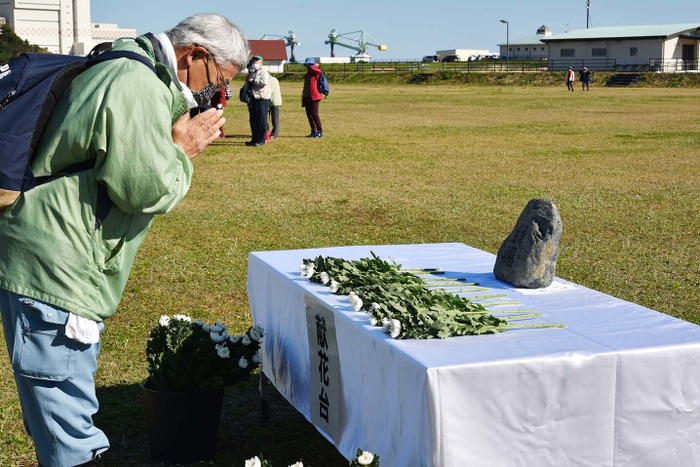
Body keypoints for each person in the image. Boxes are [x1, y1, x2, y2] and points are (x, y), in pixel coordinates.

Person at [0, 13, 249, 467]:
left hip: (56, 259)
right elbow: (143, 187)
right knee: (69, 430)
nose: (218, 95)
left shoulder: (129, 67)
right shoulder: (135, 82)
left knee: (64, 411)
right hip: (58, 269)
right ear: (193, 55)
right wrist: (183, 150)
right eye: (219, 80)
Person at [245, 55, 271, 146]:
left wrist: (253, 80)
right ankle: (254, 139)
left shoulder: (264, 72)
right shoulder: (253, 72)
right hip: (253, 99)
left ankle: (261, 140)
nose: (254, 63)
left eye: (257, 61)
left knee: (261, 120)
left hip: (262, 99)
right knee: (253, 120)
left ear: (261, 63)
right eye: (253, 62)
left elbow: (263, 82)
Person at [301, 57, 324, 138]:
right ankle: (313, 131)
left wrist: (314, 66)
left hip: (314, 96)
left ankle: (319, 131)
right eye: (307, 65)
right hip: (307, 96)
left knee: (314, 114)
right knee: (309, 115)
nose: (308, 66)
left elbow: (319, 71)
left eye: (309, 65)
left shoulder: (315, 72)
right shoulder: (309, 74)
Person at [268, 75, 282, 139]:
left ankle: (275, 134)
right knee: (275, 118)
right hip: (276, 100)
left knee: (275, 118)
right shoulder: (275, 79)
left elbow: (270, 90)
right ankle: (274, 133)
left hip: (274, 101)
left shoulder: (270, 80)